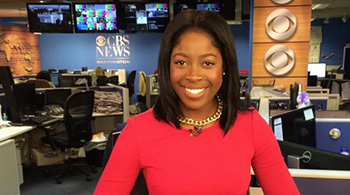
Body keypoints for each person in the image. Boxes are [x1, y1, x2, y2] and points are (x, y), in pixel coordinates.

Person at [94, 10, 300, 195]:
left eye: (208, 63)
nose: (193, 75)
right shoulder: (138, 131)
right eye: (181, 62)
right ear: (167, 66)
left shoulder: (251, 125)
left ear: (224, 66)